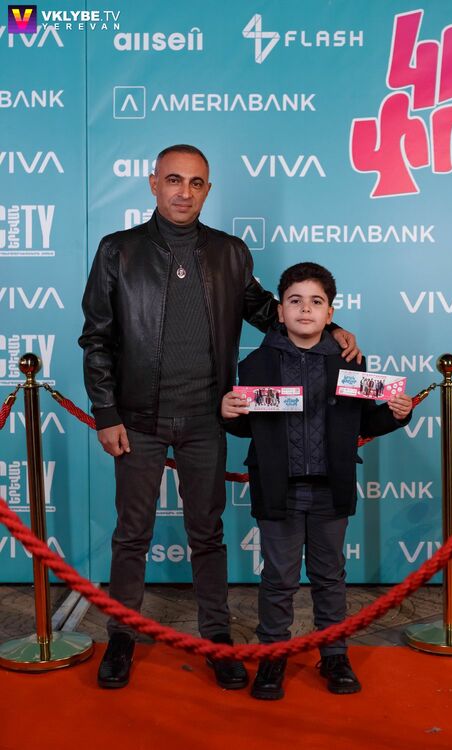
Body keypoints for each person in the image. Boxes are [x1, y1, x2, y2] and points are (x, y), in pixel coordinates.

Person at [79, 145, 361, 690]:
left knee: (207, 534)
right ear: (153, 183)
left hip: (206, 418)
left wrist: (331, 327)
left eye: (196, 183)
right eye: (173, 180)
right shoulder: (118, 250)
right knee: (131, 534)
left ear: (208, 189)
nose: (184, 192)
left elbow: (267, 310)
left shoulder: (230, 252)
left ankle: (216, 638)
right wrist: (106, 412)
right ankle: (121, 637)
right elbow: (97, 338)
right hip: (136, 419)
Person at [222, 262, 412, 700]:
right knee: (278, 578)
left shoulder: (350, 362)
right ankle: (273, 654)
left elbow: (367, 420)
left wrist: (396, 415)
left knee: (330, 576)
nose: (305, 309)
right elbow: (248, 425)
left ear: (330, 313)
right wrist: (229, 415)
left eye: (315, 302)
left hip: (331, 487)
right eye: (295, 301)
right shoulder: (255, 364)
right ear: (280, 311)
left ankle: (335, 654)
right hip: (278, 489)